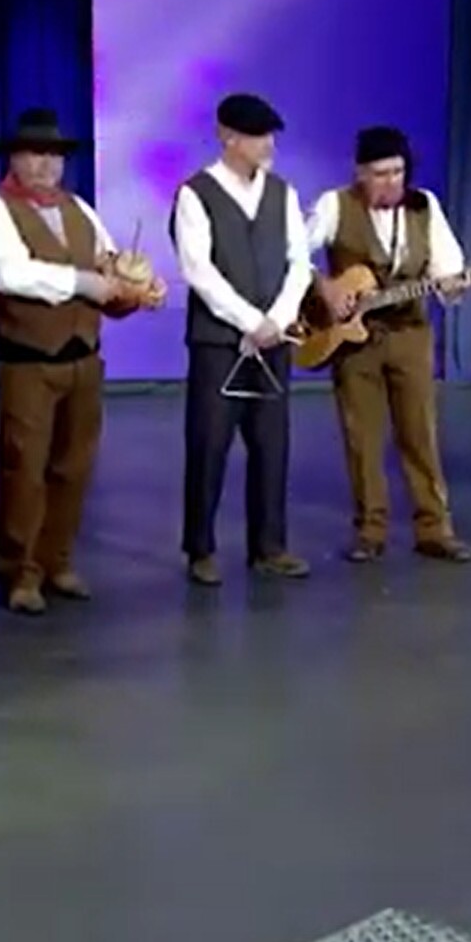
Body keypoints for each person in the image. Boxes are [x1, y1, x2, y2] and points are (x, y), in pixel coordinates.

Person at [0, 109, 158, 615]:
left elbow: (109, 266)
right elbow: (13, 274)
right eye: (36, 154)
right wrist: (85, 283)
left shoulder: (78, 210)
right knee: (25, 469)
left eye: (54, 156)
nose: (46, 165)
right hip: (30, 362)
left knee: (73, 468)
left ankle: (57, 560)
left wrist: (134, 289)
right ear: (14, 158)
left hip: (83, 359)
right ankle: (20, 571)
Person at [306, 125, 471, 564]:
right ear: (360, 173)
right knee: (362, 437)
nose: (391, 182)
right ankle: (370, 530)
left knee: (420, 433)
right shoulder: (334, 205)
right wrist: (324, 287)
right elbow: (292, 253)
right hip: (355, 340)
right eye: (380, 174)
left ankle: (434, 528)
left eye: (398, 172)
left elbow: (447, 265)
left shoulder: (424, 206)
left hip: (410, 334)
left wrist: (453, 285)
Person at [172, 93, 315, 586]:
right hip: (219, 342)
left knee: (272, 443)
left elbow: (300, 262)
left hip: (274, 339)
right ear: (228, 137)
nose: (267, 145)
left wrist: (277, 319)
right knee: (209, 442)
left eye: (269, 136)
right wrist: (248, 320)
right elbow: (199, 270)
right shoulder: (196, 194)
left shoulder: (282, 194)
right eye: (257, 136)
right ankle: (200, 548)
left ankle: (269, 546)